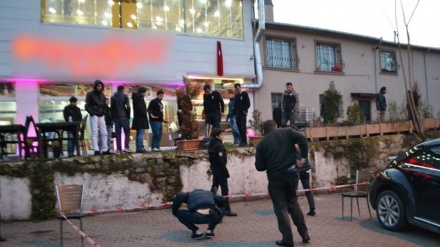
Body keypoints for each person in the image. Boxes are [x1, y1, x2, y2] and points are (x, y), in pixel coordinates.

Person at [255, 120, 310, 247]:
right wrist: (303, 157)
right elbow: (303, 139)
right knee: (293, 204)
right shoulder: (287, 131)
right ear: (276, 126)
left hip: (275, 178)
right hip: (292, 174)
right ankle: (304, 234)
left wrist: (269, 162)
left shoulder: (262, 144)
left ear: (264, 130)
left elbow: (259, 167)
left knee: (281, 208)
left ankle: (288, 240)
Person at [208, 128, 237, 216]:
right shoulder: (219, 145)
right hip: (220, 170)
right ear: (217, 136)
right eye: (221, 135)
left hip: (215, 169)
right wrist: (225, 172)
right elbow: (221, 160)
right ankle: (227, 209)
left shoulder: (211, 145)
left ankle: (210, 206)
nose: (222, 136)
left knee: (214, 188)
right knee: (225, 190)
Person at [85, 79, 110, 155]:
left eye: (101, 86)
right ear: (95, 86)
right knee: (95, 132)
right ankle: (96, 149)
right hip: (95, 114)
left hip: (101, 114)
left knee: (104, 132)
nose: (99, 87)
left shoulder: (102, 95)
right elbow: (87, 105)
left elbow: (103, 105)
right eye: (98, 86)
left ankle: (104, 149)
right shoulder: (90, 94)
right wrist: (92, 113)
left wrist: (104, 112)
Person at [295, 144, 316, 216]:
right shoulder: (303, 149)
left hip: (297, 172)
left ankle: (294, 209)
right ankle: (312, 209)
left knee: (294, 191)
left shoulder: (293, 151)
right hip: (306, 171)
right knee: (308, 191)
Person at [111, 85, 132, 154]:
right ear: (123, 89)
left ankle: (118, 149)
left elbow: (112, 108)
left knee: (118, 133)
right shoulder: (125, 96)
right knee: (127, 132)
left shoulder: (113, 97)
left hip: (116, 117)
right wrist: (128, 116)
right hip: (124, 116)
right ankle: (126, 147)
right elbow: (128, 107)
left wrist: (113, 118)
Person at [132, 87, 149, 153]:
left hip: (138, 119)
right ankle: (140, 147)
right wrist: (144, 113)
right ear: (142, 92)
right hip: (140, 119)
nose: (145, 93)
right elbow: (139, 108)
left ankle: (138, 147)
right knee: (141, 133)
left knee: (139, 133)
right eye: (145, 92)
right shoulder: (138, 98)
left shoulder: (137, 97)